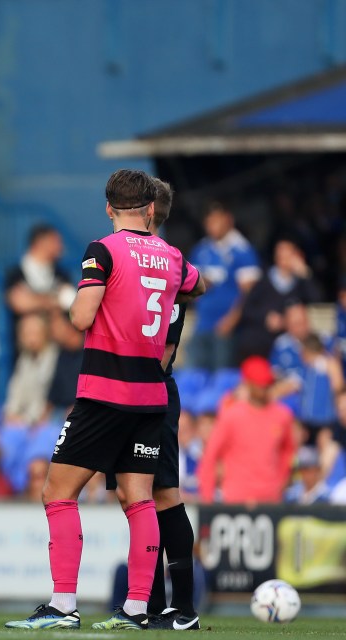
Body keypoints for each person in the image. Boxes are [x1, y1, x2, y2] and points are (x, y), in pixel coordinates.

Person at [5, 169, 203, 631]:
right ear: (150, 209)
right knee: (140, 499)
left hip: (105, 391)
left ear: (109, 208)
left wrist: (74, 302)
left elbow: (81, 317)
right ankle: (138, 609)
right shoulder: (172, 256)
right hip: (152, 395)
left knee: (58, 492)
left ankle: (63, 604)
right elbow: (198, 284)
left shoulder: (103, 250)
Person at [104, 178, 202, 630]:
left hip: (146, 391)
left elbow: (160, 354)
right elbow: (200, 284)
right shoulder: (173, 270)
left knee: (160, 495)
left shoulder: (155, 269)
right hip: (138, 390)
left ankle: (180, 609)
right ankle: (155, 605)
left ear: (142, 212)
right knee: (135, 496)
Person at [197, 356, 297, 504]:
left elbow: (288, 451)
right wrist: (207, 497)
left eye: (267, 384)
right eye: (260, 384)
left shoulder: (283, 415)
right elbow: (210, 456)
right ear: (248, 384)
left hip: (271, 499)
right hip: (236, 499)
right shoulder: (231, 416)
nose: (264, 388)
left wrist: (281, 481)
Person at [188, 202, 260, 371]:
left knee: (222, 378)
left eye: (216, 220)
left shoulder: (242, 250)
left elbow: (249, 294)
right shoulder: (201, 249)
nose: (212, 226)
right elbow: (191, 284)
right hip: (202, 325)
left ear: (228, 219)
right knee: (196, 376)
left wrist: (231, 321)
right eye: (209, 222)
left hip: (226, 328)